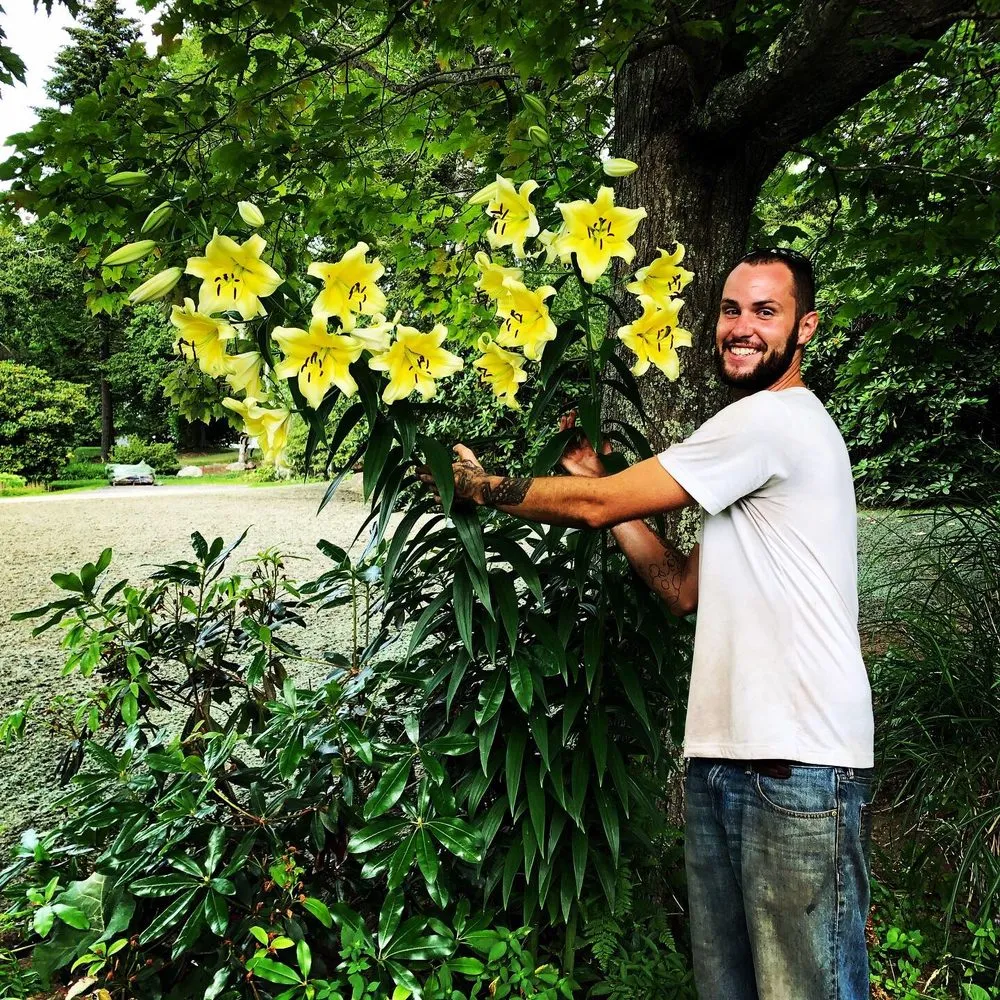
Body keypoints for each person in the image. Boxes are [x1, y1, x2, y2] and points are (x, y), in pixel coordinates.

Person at [417, 247, 875, 1000]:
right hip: (729, 758)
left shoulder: (773, 420)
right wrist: (599, 486)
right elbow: (683, 588)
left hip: (799, 763)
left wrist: (479, 488)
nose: (741, 327)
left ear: (806, 329)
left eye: (766, 311)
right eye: (731, 310)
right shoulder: (755, 439)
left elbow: (601, 510)